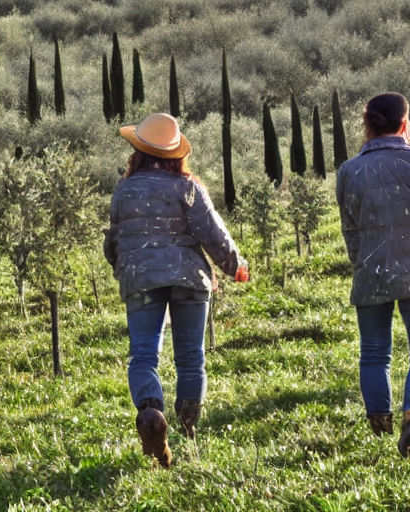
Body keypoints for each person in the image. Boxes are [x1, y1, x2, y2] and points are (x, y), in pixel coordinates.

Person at [104, 113, 248, 468]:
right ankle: (188, 432)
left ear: (138, 151)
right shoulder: (188, 187)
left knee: (143, 356)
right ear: (175, 153)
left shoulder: (125, 190)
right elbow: (212, 232)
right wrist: (235, 265)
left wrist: (125, 266)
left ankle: (151, 412)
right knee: (190, 357)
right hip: (189, 277)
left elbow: (113, 241)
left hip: (140, 277)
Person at [336, 93, 410, 457]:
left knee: (374, 353)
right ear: (405, 124)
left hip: (370, 272)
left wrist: (361, 261)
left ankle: (379, 424)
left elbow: (349, 226)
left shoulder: (349, 171)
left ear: (368, 126)